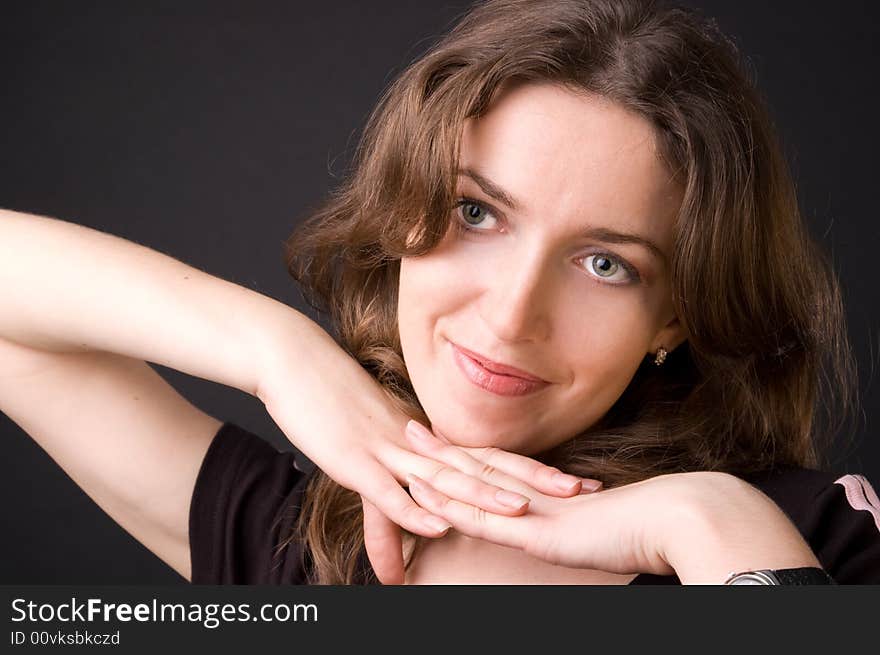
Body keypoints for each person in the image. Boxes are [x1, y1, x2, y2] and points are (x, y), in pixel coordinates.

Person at [1, 0, 878, 585]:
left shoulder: (814, 539)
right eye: (476, 212)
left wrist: (711, 523)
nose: (509, 315)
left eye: (606, 263)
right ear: (402, 213)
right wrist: (275, 352)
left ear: (672, 319)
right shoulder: (299, 550)